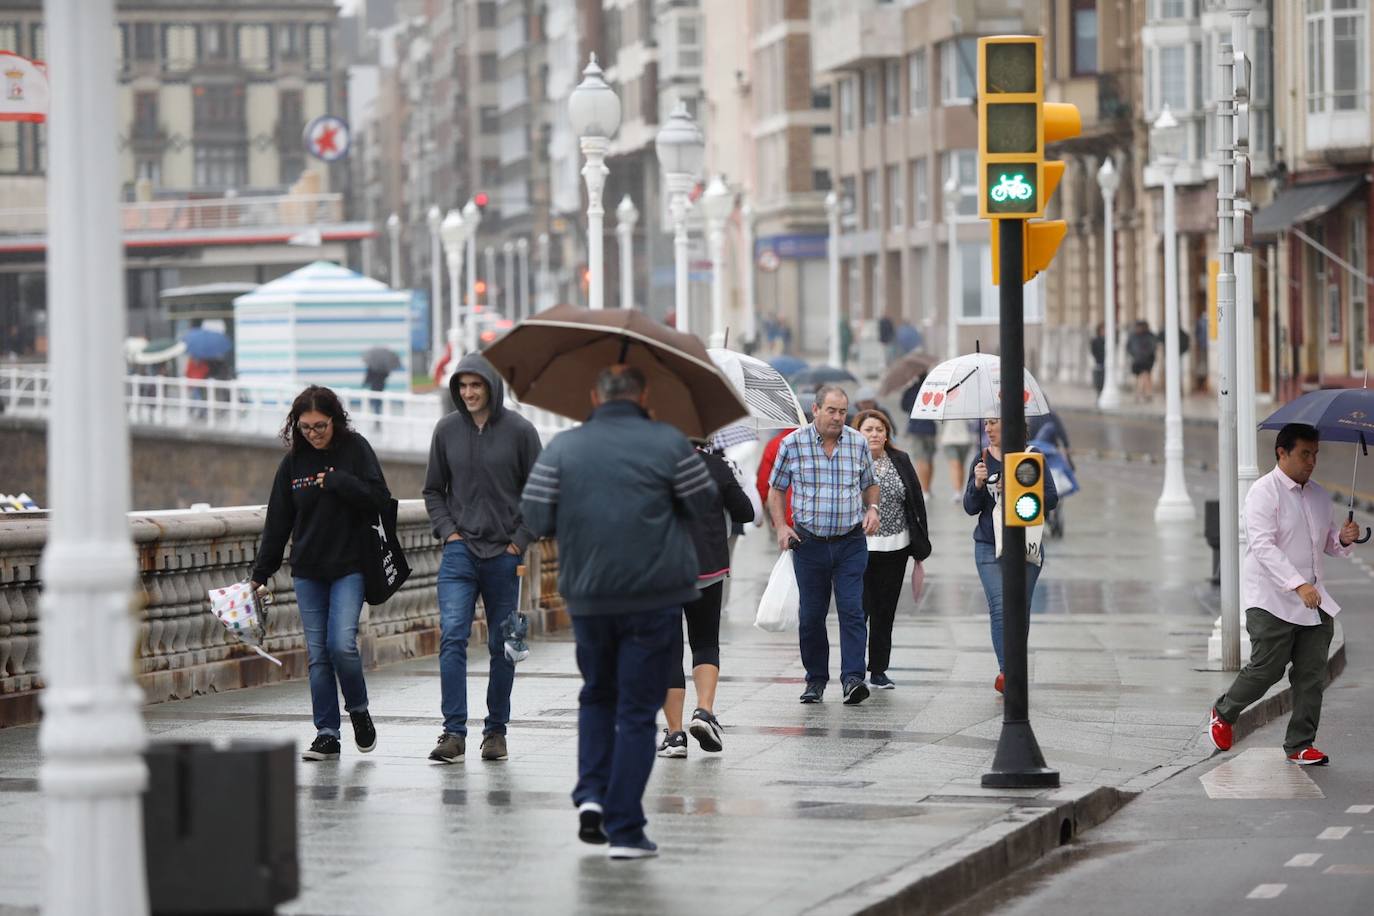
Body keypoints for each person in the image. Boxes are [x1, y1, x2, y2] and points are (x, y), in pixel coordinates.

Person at [521, 365, 716, 860]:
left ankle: (590, 796)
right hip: (653, 597)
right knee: (634, 710)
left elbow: (535, 517)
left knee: (597, 696)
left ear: (594, 394)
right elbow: (704, 505)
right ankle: (625, 827)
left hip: (589, 596)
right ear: (644, 394)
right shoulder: (671, 443)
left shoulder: (564, 447)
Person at [251, 386, 392, 762]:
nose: (313, 434)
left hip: (350, 565)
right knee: (317, 655)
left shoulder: (356, 450)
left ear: (336, 421)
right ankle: (327, 733)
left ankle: (358, 710)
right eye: (305, 428)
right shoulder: (293, 463)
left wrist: (339, 482)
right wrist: (260, 573)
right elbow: (277, 522)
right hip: (308, 570)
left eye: (320, 427)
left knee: (341, 644)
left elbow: (381, 499)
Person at [1208, 424, 1360, 766]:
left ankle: (1300, 744)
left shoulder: (1320, 496)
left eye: (1315, 454)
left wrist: (1345, 539)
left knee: (1311, 675)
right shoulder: (1264, 492)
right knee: (1268, 668)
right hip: (1272, 599)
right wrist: (1297, 584)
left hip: (1314, 602)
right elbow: (1262, 546)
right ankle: (1224, 711)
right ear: (1282, 452)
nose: (1312, 461)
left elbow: (1326, 543)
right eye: (1305, 453)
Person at [423, 354, 543, 765]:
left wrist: (519, 541)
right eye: (463, 386)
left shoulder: (521, 432)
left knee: (503, 645)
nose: (469, 393)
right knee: (452, 636)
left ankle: (496, 732)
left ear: (492, 385)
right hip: (459, 554)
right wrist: (449, 533)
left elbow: (541, 492)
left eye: (477, 385)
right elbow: (433, 490)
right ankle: (453, 732)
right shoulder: (446, 431)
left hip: (505, 558)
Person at [767, 385, 880, 706]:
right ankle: (815, 679)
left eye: (843, 412)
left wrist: (872, 509)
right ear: (815, 410)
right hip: (809, 543)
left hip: (850, 542)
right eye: (831, 410)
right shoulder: (793, 443)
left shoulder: (857, 443)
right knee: (812, 616)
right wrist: (781, 527)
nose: (837, 417)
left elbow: (870, 484)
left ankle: (853, 678)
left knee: (852, 610)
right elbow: (776, 490)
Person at [657, 440, 755, 759]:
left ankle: (674, 736)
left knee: (668, 650)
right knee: (705, 642)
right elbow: (746, 512)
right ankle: (704, 712)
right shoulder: (716, 466)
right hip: (708, 568)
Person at [963, 416, 1058, 695]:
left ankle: (1014, 668)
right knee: (1000, 606)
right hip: (988, 544)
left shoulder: (1031, 456)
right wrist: (978, 485)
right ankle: (1008, 672)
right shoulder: (980, 459)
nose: (988, 429)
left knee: (1019, 609)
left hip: (1025, 542)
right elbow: (970, 507)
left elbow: (1051, 499)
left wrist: (1020, 487)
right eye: (986, 424)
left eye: (995, 422)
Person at [853, 410, 930, 689]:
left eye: (880, 429)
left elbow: (915, 500)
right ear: (857, 433)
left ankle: (878, 670)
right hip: (859, 548)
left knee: (885, 611)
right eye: (869, 429)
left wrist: (921, 543)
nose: (875, 434)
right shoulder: (850, 461)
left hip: (896, 547)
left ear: (887, 435)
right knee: (858, 611)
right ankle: (854, 670)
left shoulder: (901, 460)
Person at [900, 375, 937, 498]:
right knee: (929, 459)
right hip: (931, 429)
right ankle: (928, 487)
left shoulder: (911, 390)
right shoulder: (932, 389)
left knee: (921, 460)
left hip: (916, 429)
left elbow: (903, 406)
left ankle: (924, 490)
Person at [939, 418, 978, 503]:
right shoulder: (946, 406)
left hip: (965, 439)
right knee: (955, 465)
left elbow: (973, 423)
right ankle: (956, 491)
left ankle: (960, 490)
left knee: (961, 466)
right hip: (949, 439)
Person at [1126, 320, 1157, 403]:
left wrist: (1145, 355)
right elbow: (1129, 347)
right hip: (1137, 360)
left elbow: (1152, 347)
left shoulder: (1149, 336)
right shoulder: (1133, 336)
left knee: (1145, 375)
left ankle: (1142, 393)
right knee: (1142, 377)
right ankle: (1146, 393)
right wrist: (1135, 354)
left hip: (1147, 360)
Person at [1090, 324, 1106, 394]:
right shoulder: (1095, 340)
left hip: (1107, 364)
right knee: (1099, 382)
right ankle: (1099, 394)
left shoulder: (1108, 340)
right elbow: (1093, 351)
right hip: (1099, 363)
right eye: (1103, 330)